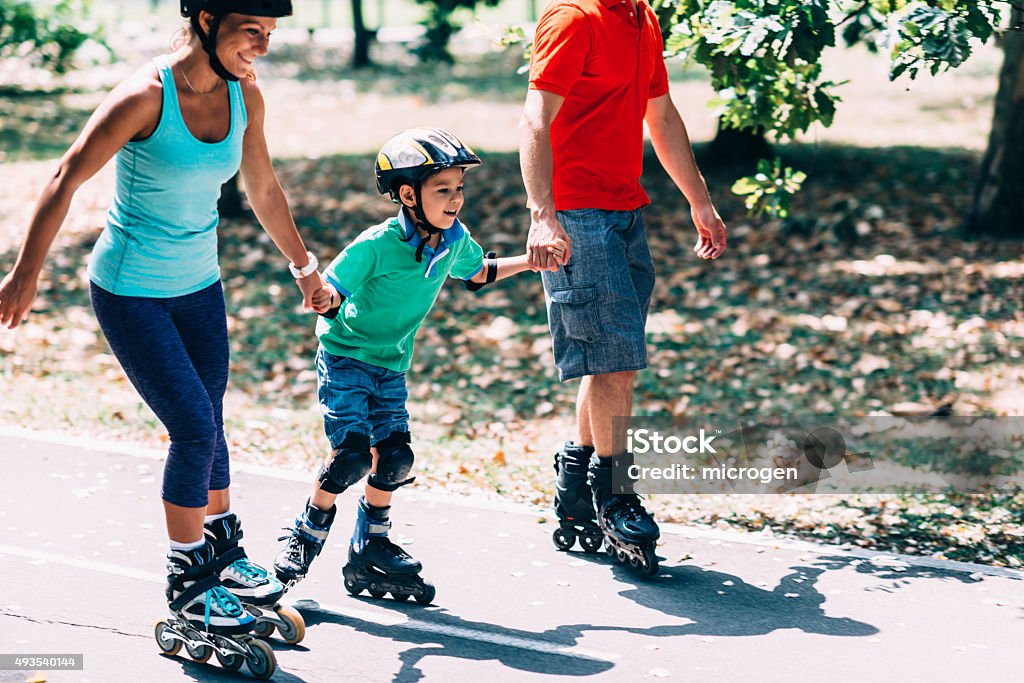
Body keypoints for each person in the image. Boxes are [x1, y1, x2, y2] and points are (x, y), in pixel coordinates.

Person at [0, 0, 317, 642]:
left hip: (200, 284)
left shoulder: (246, 98)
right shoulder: (145, 96)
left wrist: (304, 267)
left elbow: (263, 188)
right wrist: (26, 273)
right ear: (206, 19)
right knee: (194, 430)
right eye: (250, 30)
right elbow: (66, 177)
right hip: (131, 290)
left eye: (270, 33)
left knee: (211, 417)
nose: (261, 46)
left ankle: (224, 551)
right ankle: (189, 582)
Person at [274, 127, 564, 603]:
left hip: (391, 365)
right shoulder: (375, 245)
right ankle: (302, 541)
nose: (455, 200)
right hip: (346, 358)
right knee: (349, 457)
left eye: (459, 189)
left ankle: (371, 546)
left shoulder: (453, 239)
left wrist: (531, 262)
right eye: (442, 190)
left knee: (393, 458)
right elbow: (332, 295)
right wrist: (321, 295)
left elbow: (478, 272)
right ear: (408, 194)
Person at [519, 0, 728, 574]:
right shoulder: (574, 19)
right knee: (615, 364)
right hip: (577, 217)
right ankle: (615, 494)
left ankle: (574, 480)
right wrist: (543, 214)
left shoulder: (641, 19)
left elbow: (660, 117)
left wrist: (700, 202)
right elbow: (535, 119)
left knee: (610, 360)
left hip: (626, 213)